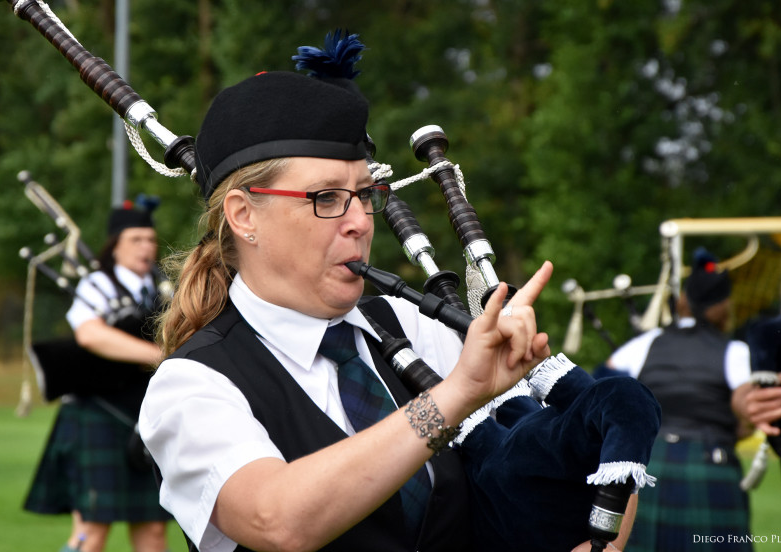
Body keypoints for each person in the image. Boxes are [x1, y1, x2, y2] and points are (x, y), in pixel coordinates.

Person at [137, 43, 640, 551]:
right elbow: (277, 520)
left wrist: (602, 537)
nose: (359, 222)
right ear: (244, 215)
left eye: (364, 195)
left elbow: (597, 456)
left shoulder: (413, 325)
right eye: (327, 198)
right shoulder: (190, 385)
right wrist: (456, 395)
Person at [24, 202, 172, 552]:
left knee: (153, 531)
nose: (146, 247)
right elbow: (91, 335)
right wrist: (161, 356)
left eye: (150, 239)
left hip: (142, 414)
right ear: (115, 245)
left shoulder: (162, 287)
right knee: (91, 533)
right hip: (97, 413)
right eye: (135, 239)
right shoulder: (97, 284)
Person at [606, 248, 755, 551]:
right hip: (710, 464)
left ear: (685, 301)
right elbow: (748, 415)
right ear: (722, 306)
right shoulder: (735, 351)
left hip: (649, 465)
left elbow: (603, 394)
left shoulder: (644, 344)